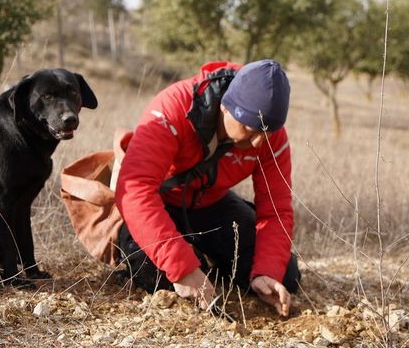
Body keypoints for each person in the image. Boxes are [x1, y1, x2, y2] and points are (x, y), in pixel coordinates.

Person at [115, 59, 300, 317]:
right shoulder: (173, 108)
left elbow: (276, 212)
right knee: (153, 272)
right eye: (249, 127)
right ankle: (193, 260)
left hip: (213, 205)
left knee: (287, 275)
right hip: (161, 203)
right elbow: (135, 188)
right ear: (226, 106)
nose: (258, 140)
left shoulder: (271, 136)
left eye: (267, 132)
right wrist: (181, 266)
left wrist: (266, 272)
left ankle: (204, 262)